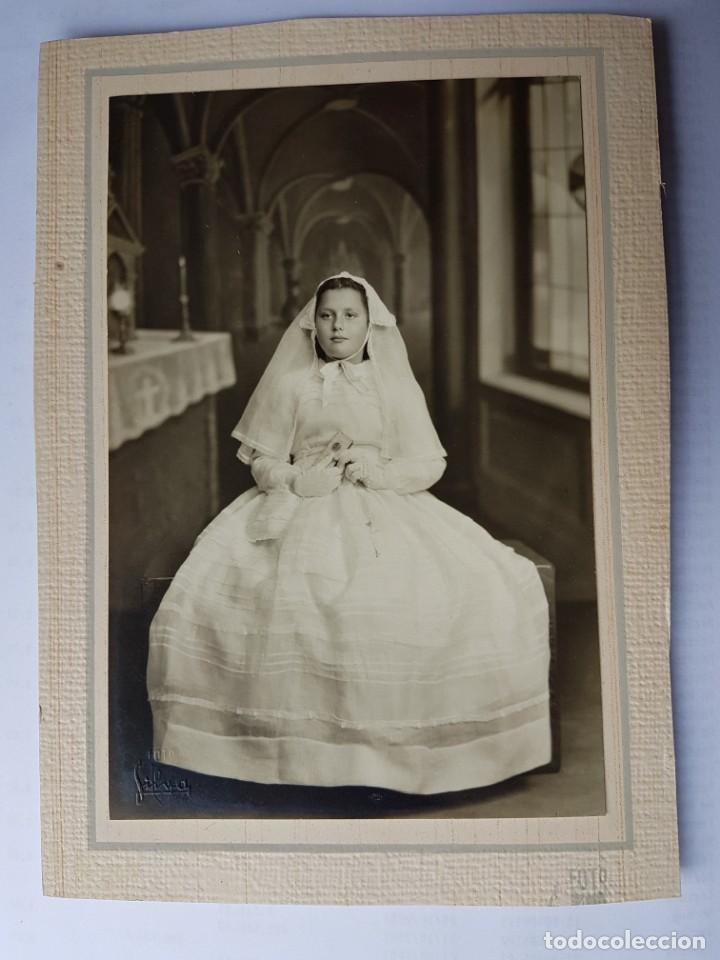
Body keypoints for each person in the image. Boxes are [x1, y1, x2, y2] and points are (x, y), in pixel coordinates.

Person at [146, 271, 551, 795]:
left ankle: (392, 756)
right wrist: (296, 480)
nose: (338, 326)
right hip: (301, 504)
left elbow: (429, 463)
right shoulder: (293, 384)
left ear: (369, 324)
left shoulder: (392, 386)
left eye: (350, 316)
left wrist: (379, 473)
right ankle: (285, 752)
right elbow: (262, 460)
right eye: (327, 315)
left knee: (443, 591)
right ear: (312, 324)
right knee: (265, 599)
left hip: (381, 506)